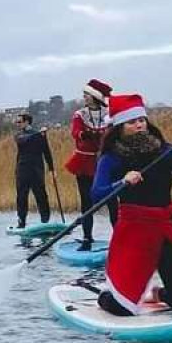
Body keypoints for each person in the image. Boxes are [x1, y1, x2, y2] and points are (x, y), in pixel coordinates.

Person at [92, 94, 172, 316]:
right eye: (132, 122)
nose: (139, 125)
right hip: (134, 231)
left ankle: (160, 293)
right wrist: (122, 182)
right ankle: (105, 296)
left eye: (141, 120)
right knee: (122, 308)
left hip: (166, 228)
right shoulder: (111, 158)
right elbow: (97, 194)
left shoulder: (163, 151)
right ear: (119, 127)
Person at [65, 78, 116, 250]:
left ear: (95, 97)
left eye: (87, 95)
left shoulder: (109, 114)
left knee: (112, 200)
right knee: (87, 201)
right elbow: (76, 131)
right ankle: (87, 238)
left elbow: (113, 131)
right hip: (84, 162)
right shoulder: (80, 115)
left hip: (105, 161)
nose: (84, 98)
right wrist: (83, 135)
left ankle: (118, 236)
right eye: (84, 95)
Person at [13, 112, 54, 227]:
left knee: (41, 195)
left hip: (37, 169)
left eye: (19, 122)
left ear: (27, 122)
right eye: (17, 122)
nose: (17, 124)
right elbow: (24, 140)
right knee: (22, 196)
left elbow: (46, 151)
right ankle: (21, 221)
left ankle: (45, 220)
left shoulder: (39, 135)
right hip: (22, 169)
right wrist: (39, 134)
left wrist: (51, 168)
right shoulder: (19, 135)